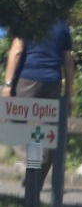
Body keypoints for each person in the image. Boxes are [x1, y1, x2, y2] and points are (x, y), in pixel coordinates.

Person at [2, 18, 75, 192]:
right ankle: (34, 183)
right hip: (53, 83)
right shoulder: (63, 25)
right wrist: (69, 94)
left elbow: (17, 51)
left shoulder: (28, 22)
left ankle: (32, 161)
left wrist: (7, 85)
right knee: (48, 132)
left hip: (27, 78)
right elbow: (69, 61)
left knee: (7, 119)